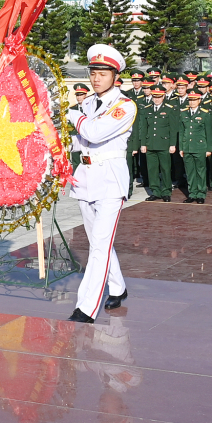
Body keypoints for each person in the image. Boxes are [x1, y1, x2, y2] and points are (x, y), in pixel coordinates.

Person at [65, 45, 138, 323]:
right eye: (93, 73)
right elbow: (81, 141)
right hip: (85, 179)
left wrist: (70, 114)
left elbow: (93, 133)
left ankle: (85, 308)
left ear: (115, 76)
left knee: (98, 247)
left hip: (109, 180)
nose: (96, 79)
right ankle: (118, 288)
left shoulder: (125, 106)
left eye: (102, 73)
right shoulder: (86, 105)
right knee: (99, 241)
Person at [137, 83, 177, 202]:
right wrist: (143, 144)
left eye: (159, 97)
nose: (157, 99)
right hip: (151, 144)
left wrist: (172, 144)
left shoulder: (169, 109)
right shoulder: (147, 109)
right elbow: (143, 128)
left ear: (163, 96)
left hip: (164, 144)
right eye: (155, 96)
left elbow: (173, 129)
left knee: (165, 169)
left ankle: (166, 192)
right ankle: (155, 191)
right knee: (152, 169)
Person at [178, 90, 212, 204]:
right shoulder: (184, 113)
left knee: (201, 171)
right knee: (190, 172)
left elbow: (209, 133)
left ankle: (201, 194)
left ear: (199, 100)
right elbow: (182, 131)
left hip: (199, 147)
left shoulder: (204, 113)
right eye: (190, 100)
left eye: (194, 100)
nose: (192, 102)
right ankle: (192, 193)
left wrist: (208, 149)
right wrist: (181, 148)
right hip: (187, 147)